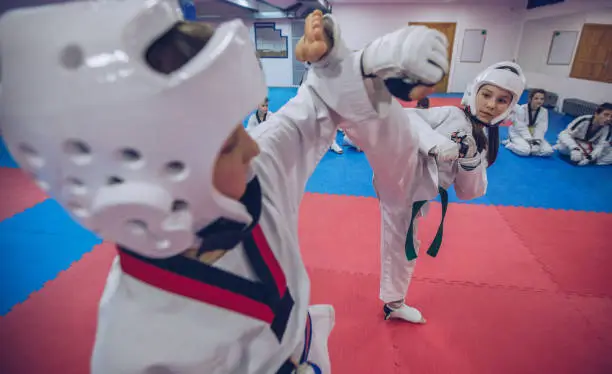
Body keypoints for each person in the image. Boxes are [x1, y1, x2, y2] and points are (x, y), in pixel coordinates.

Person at [0, 2, 449, 373]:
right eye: (229, 142)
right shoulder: (137, 351)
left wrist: (344, 61)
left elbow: (313, 111)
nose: (252, 148)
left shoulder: (249, 184)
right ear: (154, 180)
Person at [367, 62, 526, 324]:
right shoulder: (450, 114)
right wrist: (437, 145)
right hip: (399, 183)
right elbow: (407, 118)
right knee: (402, 247)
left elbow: (469, 191)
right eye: (486, 95)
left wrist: (470, 159)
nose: (491, 104)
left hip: (419, 194)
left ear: (509, 107)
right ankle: (394, 303)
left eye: (501, 100)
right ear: (474, 91)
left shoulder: (484, 142)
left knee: (407, 246)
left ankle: (394, 301)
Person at [504, 88, 553, 157]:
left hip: (533, 134)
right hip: (518, 133)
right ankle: (509, 144)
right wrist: (530, 141)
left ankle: (530, 149)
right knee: (525, 151)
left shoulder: (544, 111)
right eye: (536, 98)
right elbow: (520, 127)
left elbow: (541, 128)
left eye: (542, 99)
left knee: (548, 151)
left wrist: (537, 142)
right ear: (530, 99)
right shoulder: (522, 109)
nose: (539, 101)